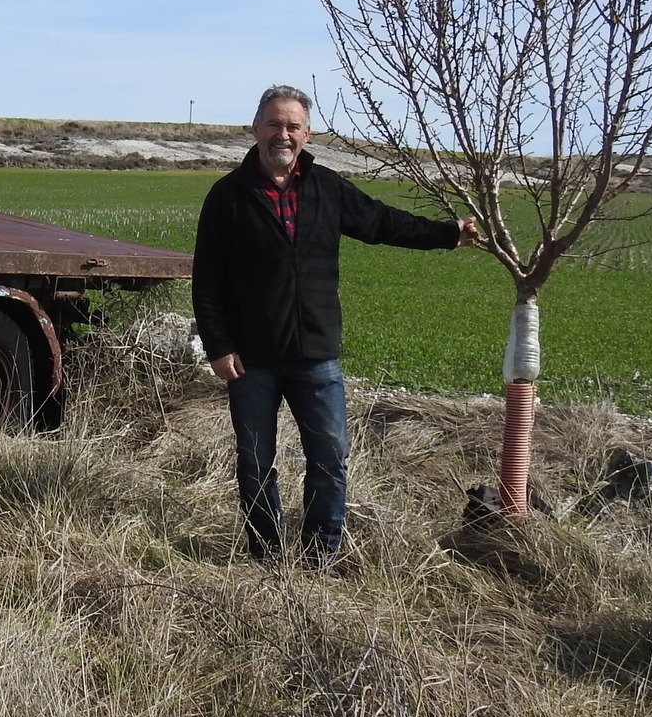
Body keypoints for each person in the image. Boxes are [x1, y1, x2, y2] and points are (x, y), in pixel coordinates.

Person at [192, 86, 477, 563]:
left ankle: (320, 555)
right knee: (256, 463)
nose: (282, 134)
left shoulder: (326, 186)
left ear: (307, 133)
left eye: (293, 126)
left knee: (329, 458)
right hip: (250, 358)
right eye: (274, 124)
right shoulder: (227, 197)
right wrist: (218, 347)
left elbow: (383, 223)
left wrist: (448, 234)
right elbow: (207, 280)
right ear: (255, 128)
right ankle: (265, 555)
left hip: (316, 356)